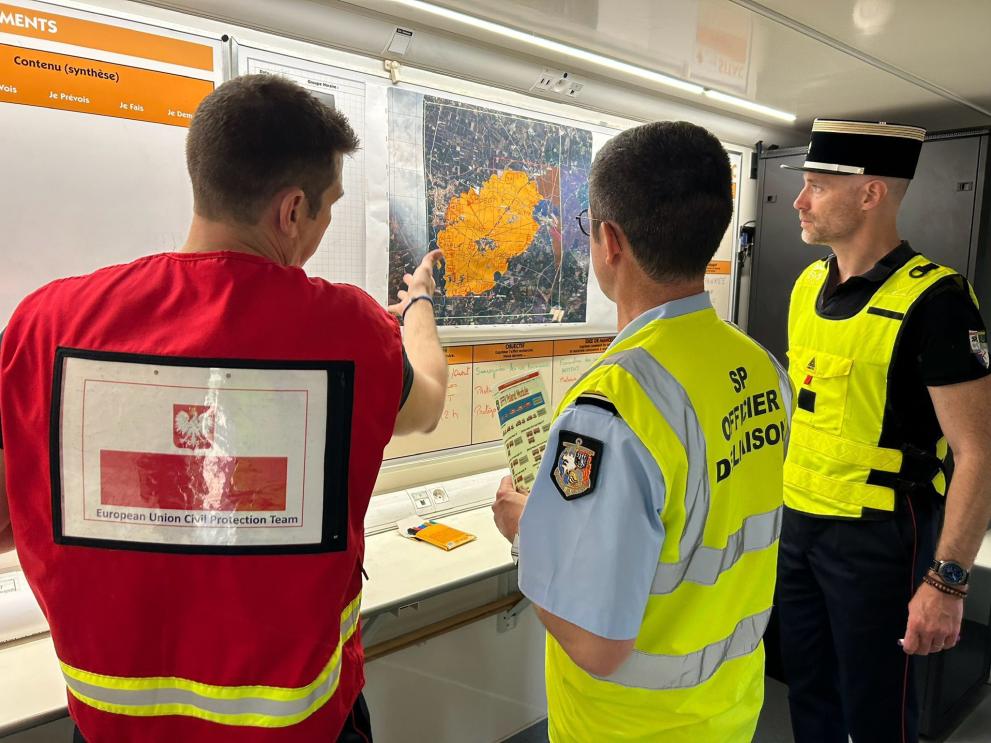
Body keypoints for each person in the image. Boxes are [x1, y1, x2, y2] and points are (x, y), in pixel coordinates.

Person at [0, 74, 447, 742]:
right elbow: (428, 403)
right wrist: (417, 307)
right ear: (292, 211)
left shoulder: (44, 323)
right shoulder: (348, 329)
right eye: (327, 209)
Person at [492, 121, 793, 741]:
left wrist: (529, 531)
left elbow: (596, 643)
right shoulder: (761, 368)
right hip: (729, 709)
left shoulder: (613, 408)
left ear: (609, 240)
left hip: (630, 726)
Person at [776, 119, 991, 743]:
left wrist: (947, 581)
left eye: (817, 185)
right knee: (807, 693)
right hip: (800, 531)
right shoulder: (806, 285)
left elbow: (978, 453)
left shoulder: (938, 300)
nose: (799, 200)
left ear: (871, 194)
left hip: (881, 542)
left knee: (880, 714)